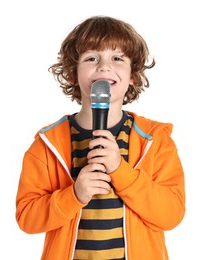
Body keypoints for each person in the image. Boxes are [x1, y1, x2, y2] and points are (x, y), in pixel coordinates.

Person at [15, 16, 185, 260]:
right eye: (91, 58)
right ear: (73, 74)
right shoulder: (47, 144)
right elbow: (27, 219)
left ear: (133, 76)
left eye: (117, 58)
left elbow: (171, 215)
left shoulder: (154, 140)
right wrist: (74, 195)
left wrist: (120, 170)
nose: (105, 66)